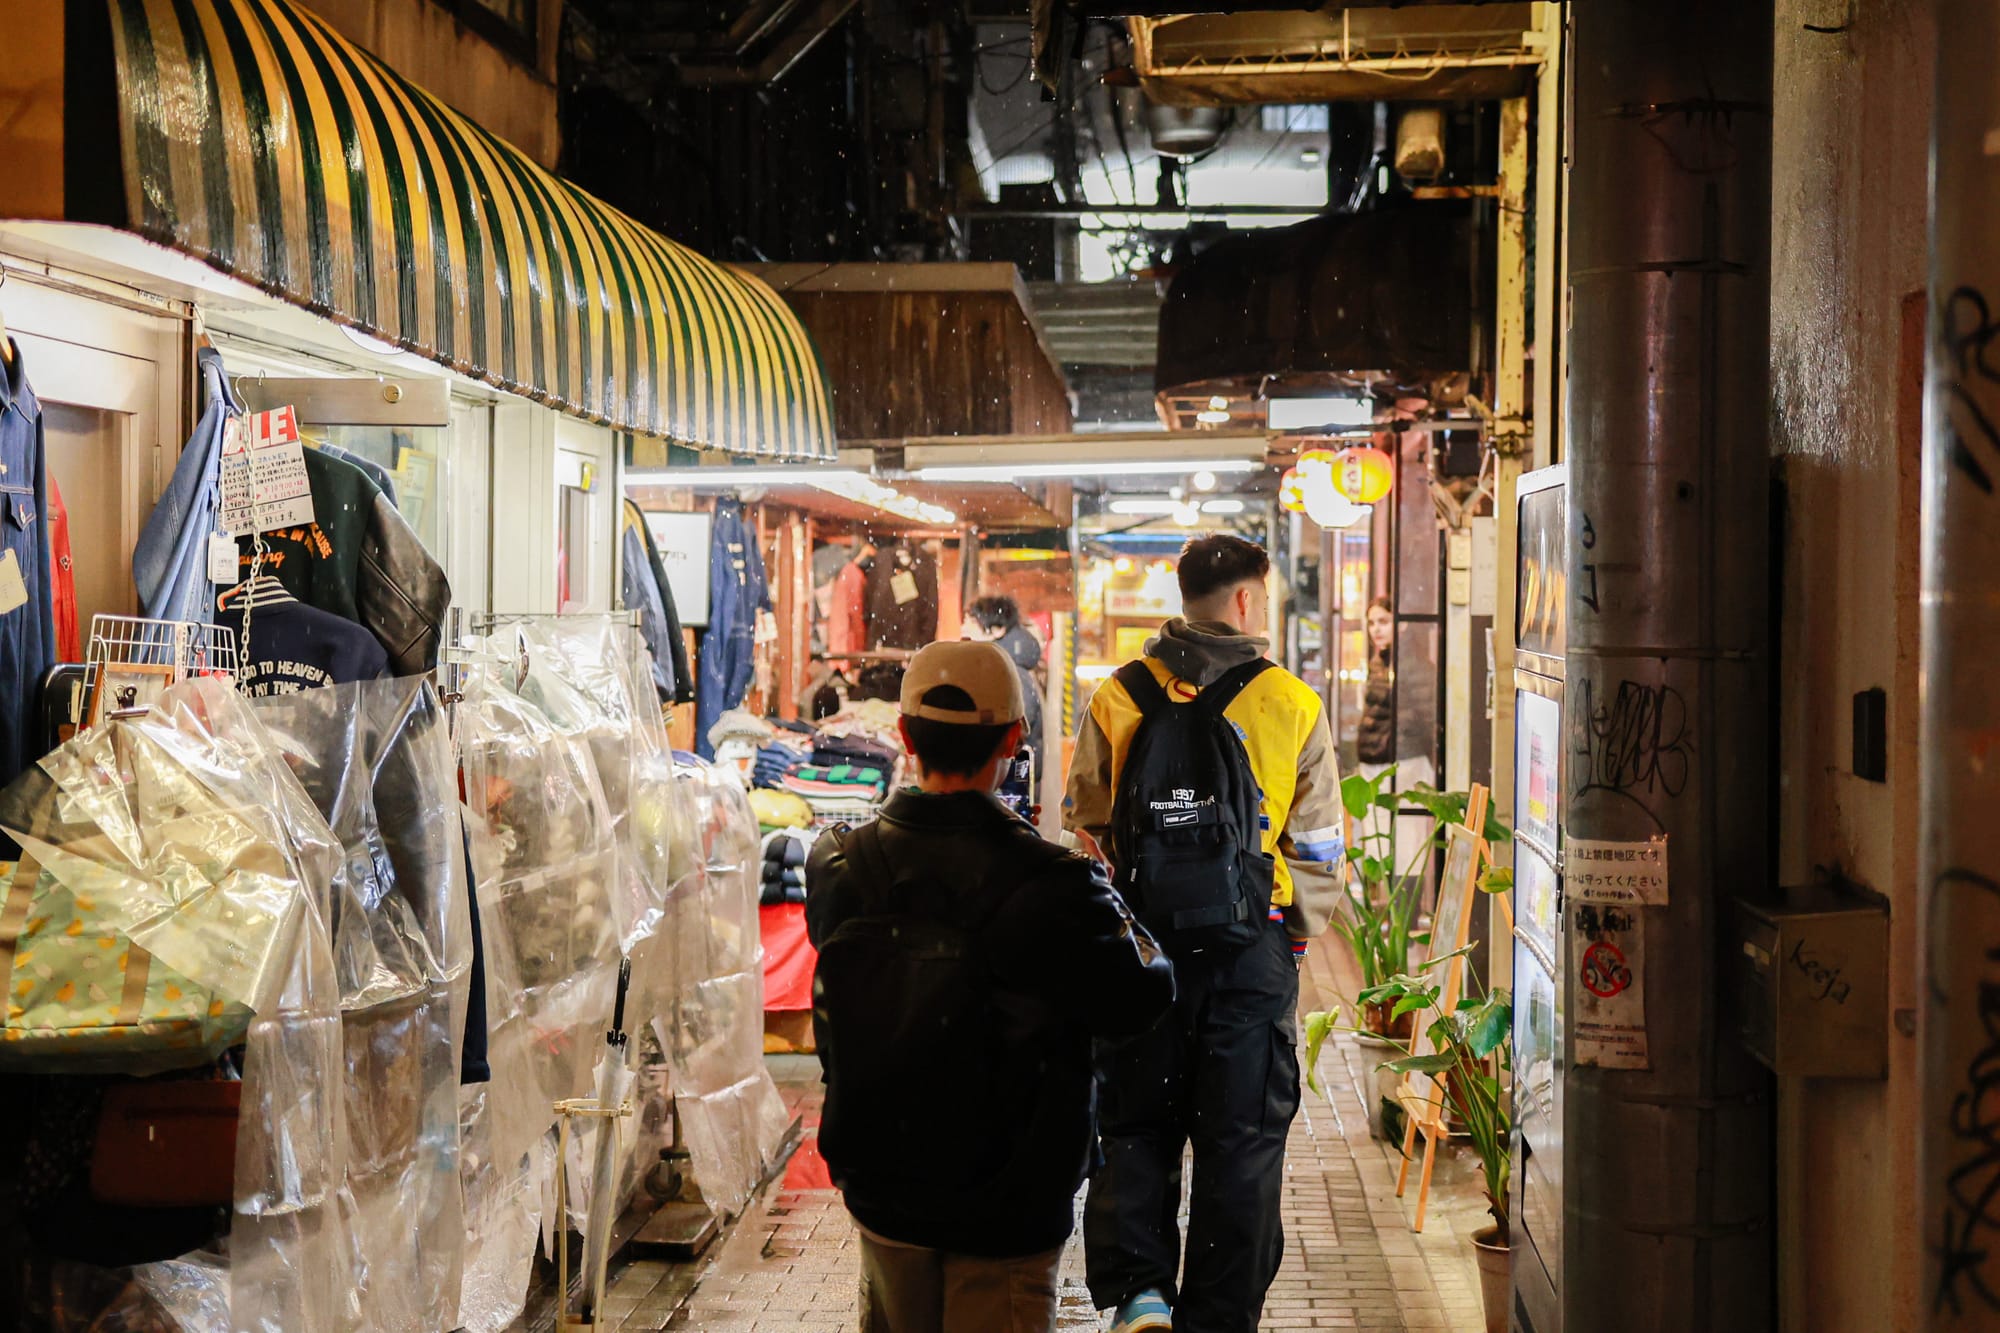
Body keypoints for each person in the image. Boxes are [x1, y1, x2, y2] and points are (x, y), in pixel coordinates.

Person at [808, 640, 1175, 1333]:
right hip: (1009, 1206)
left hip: (882, 1187)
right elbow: (1142, 994)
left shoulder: (840, 865)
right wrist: (1119, 898)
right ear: (1013, 740)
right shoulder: (1058, 885)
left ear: (905, 736)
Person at [1065, 533, 1346, 1333]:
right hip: (1247, 955)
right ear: (1250, 600)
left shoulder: (1119, 694)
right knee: (1243, 1143)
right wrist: (1289, 941)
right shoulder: (1291, 701)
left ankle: (1143, 1292)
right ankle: (1220, 1317)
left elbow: (1086, 826)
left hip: (1142, 953)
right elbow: (1321, 846)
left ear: (1182, 596)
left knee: (1136, 1123)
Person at [961, 595, 1045, 794]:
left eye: (972, 622)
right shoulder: (999, 666)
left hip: (1007, 789)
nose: (964, 628)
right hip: (1000, 785)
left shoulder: (1010, 672)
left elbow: (1013, 733)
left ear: (997, 630)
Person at [1357, 595, 1396, 766]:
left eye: (1383, 622)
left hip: (1395, 760)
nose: (1376, 629)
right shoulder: (1376, 662)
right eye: (1371, 623)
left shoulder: (1407, 663)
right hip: (1373, 757)